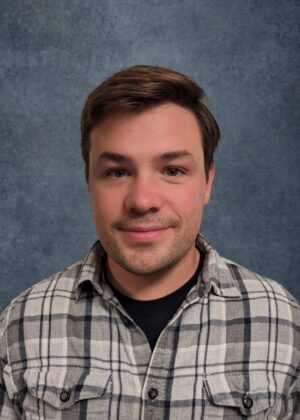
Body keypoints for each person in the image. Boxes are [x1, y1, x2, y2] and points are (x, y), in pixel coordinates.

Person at [0, 65, 299, 419]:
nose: (142, 201)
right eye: (117, 172)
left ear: (207, 182)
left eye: (172, 170)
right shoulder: (20, 325)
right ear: (88, 181)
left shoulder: (285, 325)